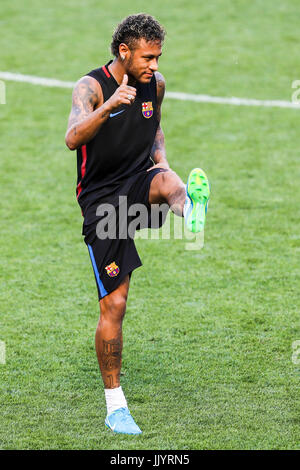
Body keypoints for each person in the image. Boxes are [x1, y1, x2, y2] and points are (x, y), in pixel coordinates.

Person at [65, 13, 210, 435]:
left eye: (158, 56)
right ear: (124, 51)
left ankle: (191, 211)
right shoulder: (90, 87)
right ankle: (115, 407)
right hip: (101, 202)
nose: (154, 65)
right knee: (115, 304)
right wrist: (110, 106)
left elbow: (156, 127)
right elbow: (73, 137)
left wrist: (160, 158)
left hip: (136, 183)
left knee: (168, 180)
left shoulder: (155, 85)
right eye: (148, 57)